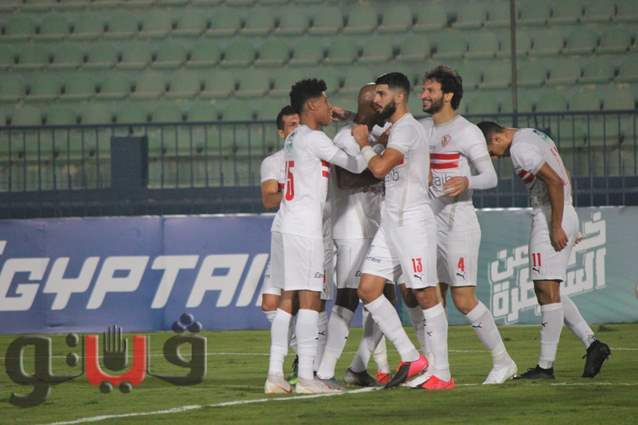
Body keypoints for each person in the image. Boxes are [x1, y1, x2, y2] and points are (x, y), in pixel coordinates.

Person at [406, 65, 516, 385]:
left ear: (448, 95)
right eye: (423, 90)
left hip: (458, 223)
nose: (423, 95)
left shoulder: (466, 131)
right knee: (426, 297)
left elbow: (490, 177)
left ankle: (503, 361)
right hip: (428, 223)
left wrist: (467, 181)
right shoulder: (420, 128)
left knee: (464, 300)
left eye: (430, 90)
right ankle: (436, 369)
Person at [477, 121, 612, 379]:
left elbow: (555, 181)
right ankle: (592, 344)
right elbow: (565, 173)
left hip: (550, 215)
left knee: (546, 290)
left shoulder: (519, 149)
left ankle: (545, 367)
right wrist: (569, 216)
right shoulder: (533, 135)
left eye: (490, 151)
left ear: (496, 138)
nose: (492, 157)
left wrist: (557, 225)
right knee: (548, 289)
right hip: (562, 211)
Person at [265, 78, 368, 394]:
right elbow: (356, 165)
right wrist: (364, 143)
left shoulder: (295, 137)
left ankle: (275, 375)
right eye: (325, 102)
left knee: (287, 299)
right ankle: (307, 377)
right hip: (304, 229)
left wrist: (345, 117)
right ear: (312, 105)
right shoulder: (314, 138)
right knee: (310, 299)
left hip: (285, 224)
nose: (329, 107)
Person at [352, 72, 454, 390]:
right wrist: (350, 117)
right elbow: (383, 138)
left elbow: (380, 168)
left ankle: (442, 373)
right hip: (391, 222)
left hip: (412, 222)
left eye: (381, 94)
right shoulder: (398, 130)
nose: (376, 99)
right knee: (368, 289)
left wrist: (362, 144)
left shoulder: (408, 128)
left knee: (425, 294)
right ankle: (412, 356)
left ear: (398, 97)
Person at [316, 84, 393, 387]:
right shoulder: (346, 139)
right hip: (351, 230)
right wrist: (381, 166)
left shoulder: (376, 135)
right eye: (379, 99)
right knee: (348, 298)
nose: (384, 103)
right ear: (371, 104)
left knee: (386, 299)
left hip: (375, 228)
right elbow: (345, 179)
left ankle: (358, 367)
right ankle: (325, 371)